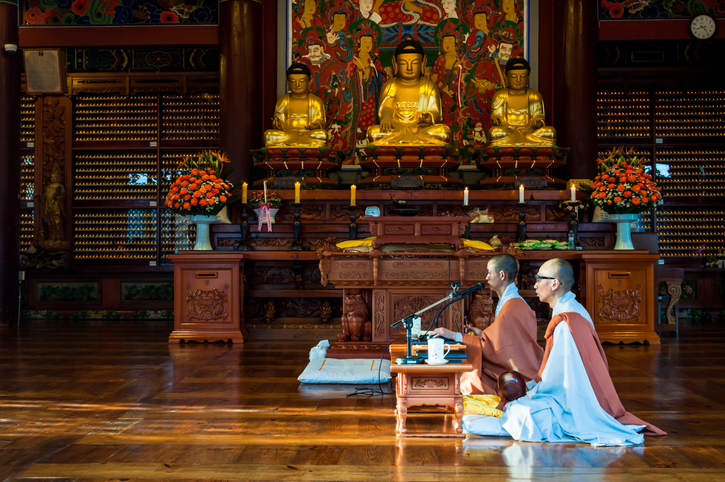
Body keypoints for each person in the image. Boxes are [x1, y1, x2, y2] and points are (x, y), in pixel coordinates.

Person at [465, 258, 666, 446]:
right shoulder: (573, 310)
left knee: (520, 413)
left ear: (555, 284)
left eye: (539, 279)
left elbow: (558, 381)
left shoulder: (566, 322)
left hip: (573, 402)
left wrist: (530, 395)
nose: (534, 285)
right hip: (573, 393)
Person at [430, 253, 542, 397]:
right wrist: (483, 335)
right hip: (515, 366)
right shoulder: (512, 302)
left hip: (515, 376)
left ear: (502, 275)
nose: (487, 277)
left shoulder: (511, 308)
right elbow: (507, 341)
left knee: (468, 379)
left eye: (489, 273)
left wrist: (454, 335)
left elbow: (503, 350)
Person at [366, 38, 451, 146]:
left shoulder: (428, 86)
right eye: (403, 63)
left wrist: (429, 117)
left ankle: (404, 144)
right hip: (396, 128)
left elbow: (435, 111)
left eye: (415, 63)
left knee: (443, 133)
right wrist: (387, 118)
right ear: (395, 64)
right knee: (373, 133)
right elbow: (386, 107)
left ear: (423, 63)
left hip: (420, 129)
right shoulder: (391, 85)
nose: (409, 68)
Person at [487, 57, 557, 147]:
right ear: (506, 77)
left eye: (523, 76)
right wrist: (496, 118)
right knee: (495, 133)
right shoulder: (500, 96)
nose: (518, 80)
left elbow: (538, 116)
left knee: (550, 132)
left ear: (528, 77)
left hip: (530, 133)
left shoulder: (534, 95)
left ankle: (522, 144)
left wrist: (538, 120)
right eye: (514, 76)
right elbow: (496, 115)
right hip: (509, 133)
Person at [264, 63, 329, 148]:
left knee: (322, 135)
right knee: (268, 135)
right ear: (288, 82)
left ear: (310, 81)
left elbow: (321, 122)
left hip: (308, 134)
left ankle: (291, 145)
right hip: (288, 134)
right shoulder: (283, 101)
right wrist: (278, 124)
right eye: (293, 81)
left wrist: (316, 125)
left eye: (301, 81)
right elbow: (279, 123)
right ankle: (301, 144)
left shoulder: (316, 101)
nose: (297, 84)